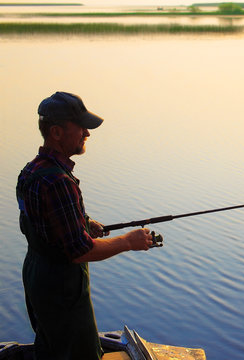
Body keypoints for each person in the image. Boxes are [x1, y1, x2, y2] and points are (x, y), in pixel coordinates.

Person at [16, 91, 154, 360]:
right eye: (81, 128)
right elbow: (80, 251)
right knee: (79, 353)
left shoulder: (31, 171)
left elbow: (43, 222)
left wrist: (83, 222)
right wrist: (129, 241)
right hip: (62, 289)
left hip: (37, 277)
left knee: (52, 347)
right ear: (56, 132)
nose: (87, 134)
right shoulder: (58, 181)